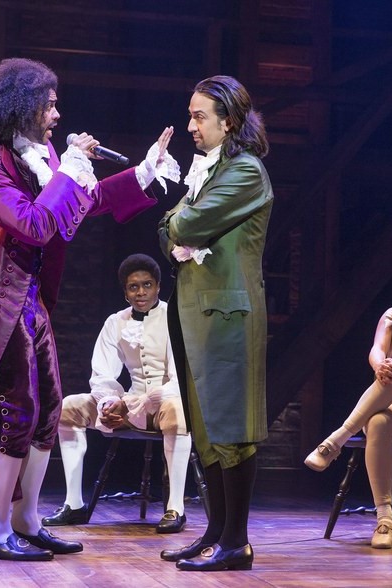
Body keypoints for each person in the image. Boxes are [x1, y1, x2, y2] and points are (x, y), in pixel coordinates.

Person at [0, 57, 179, 562]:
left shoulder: (36, 152)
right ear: (23, 107)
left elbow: (79, 202)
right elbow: (34, 224)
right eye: (49, 105)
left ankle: (27, 520)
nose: (57, 114)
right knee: (17, 412)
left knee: (48, 410)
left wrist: (142, 173)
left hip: (30, 302)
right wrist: (69, 168)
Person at [157, 75, 273, 572]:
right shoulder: (209, 171)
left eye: (199, 116)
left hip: (227, 317)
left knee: (231, 426)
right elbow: (165, 232)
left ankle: (236, 541)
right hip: (194, 314)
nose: (191, 125)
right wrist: (178, 226)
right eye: (190, 115)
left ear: (228, 122)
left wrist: (180, 221)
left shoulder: (244, 171)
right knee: (205, 430)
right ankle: (216, 532)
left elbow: (182, 224)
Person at [42, 253, 191, 533]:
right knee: (69, 407)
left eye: (147, 285)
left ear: (158, 287)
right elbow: (102, 373)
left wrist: (136, 405)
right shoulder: (115, 322)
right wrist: (110, 403)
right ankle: (74, 504)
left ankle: (175, 508)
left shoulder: (174, 317)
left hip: (165, 400)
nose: (141, 292)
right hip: (129, 402)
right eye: (133, 287)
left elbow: (179, 379)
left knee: (177, 410)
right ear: (125, 292)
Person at [305, 256, 392, 549]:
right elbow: (376, 349)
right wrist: (380, 365)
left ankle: (336, 439)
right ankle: (385, 520)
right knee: (378, 421)